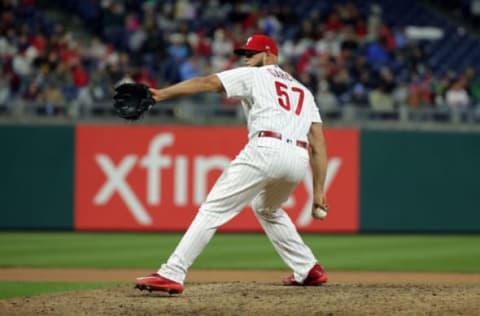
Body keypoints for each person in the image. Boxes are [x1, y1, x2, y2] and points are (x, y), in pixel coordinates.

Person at [134, 34, 329, 294]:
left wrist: (161, 94)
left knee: (213, 209)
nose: (246, 59)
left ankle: (172, 272)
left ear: (270, 56)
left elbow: (208, 82)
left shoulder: (256, 76)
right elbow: (318, 143)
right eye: (244, 54)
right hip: (297, 159)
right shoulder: (304, 92)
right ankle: (308, 268)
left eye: (252, 54)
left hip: (265, 148)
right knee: (266, 208)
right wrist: (318, 190)